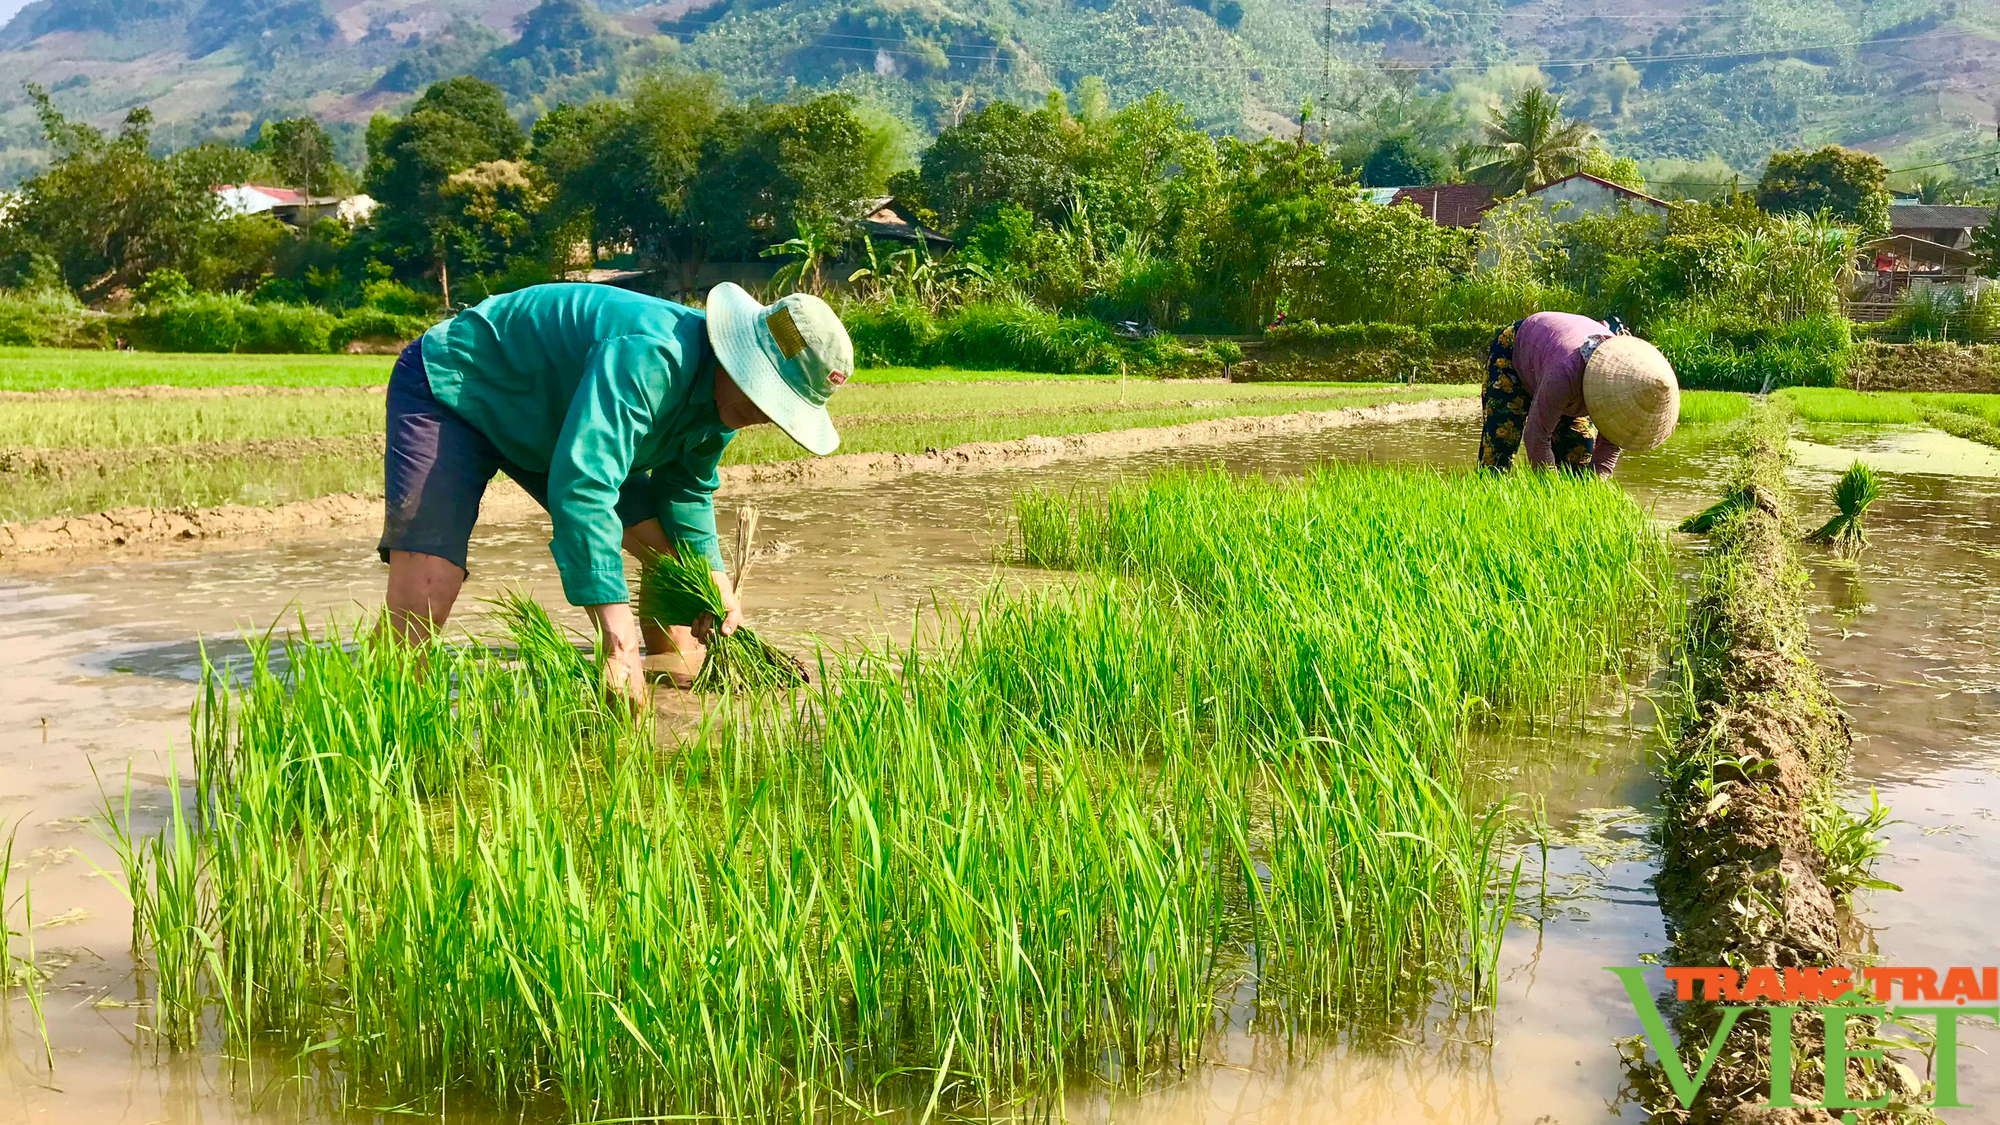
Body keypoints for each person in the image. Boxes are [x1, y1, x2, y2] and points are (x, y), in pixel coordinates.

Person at [379, 281, 853, 706]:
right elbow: (584, 487)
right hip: (460, 389)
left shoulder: (725, 405)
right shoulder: (652, 356)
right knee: (428, 590)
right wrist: (616, 637)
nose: (766, 416)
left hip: (564, 427)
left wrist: (715, 583)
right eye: (768, 398)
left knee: (673, 560)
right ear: (739, 359)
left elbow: (685, 489)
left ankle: (670, 671)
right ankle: (382, 719)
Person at [1479, 311, 1679, 478]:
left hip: (1561, 374)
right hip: (1515, 351)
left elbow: (1610, 446)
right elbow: (1536, 435)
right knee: (1499, 451)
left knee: (1578, 458)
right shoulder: (1566, 372)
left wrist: (1591, 491)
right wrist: (1550, 489)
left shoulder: (1625, 391)